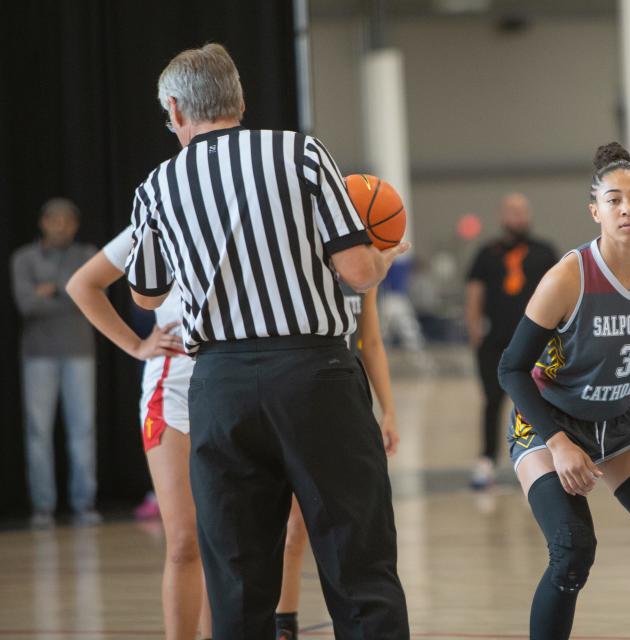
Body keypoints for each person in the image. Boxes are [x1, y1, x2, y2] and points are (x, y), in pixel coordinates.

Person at [125, 43, 409, 638]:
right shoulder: (300, 152)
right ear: (241, 100)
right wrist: (382, 258)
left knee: (236, 576)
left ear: (175, 110)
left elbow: (147, 297)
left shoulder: (156, 185)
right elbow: (356, 274)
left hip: (221, 385)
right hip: (314, 375)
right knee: (358, 563)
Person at [498, 142, 630, 640]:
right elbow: (511, 369)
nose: (627, 208)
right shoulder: (567, 278)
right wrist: (558, 443)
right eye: (614, 199)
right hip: (551, 421)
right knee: (573, 550)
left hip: (621, 420)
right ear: (595, 210)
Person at [66, 226, 212, 639]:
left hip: (233, 383)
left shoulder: (242, 201)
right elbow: (83, 284)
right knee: (185, 539)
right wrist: (135, 345)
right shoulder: (157, 213)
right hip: (174, 391)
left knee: (224, 540)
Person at [275, 284, 399, 640]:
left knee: (320, 528)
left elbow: (370, 343)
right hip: (297, 394)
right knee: (286, 524)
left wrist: (388, 409)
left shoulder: (365, 272)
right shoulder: (306, 258)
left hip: (343, 404)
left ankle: (287, 623)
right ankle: (281, 623)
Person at [11, 198, 100, 528]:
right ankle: (43, 507)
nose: (61, 225)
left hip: (80, 352)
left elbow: (89, 297)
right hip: (37, 355)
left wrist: (48, 292)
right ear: (42, 222)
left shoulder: (88, 254)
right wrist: (67, 293)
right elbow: (26, 304)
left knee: (83, 430)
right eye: (54, 219)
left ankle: (84, 503)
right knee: (38, 432)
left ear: (75, 225)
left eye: (67, 220)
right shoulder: (23, 258)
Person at [466, 193, 557, 488]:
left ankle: (541, 455)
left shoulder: (544, 252)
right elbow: (475, 291)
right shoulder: (487, 253)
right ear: (503, 216)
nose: (516, 217)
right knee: (492, 399)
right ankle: (487, 459)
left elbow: (560, 291)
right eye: (511, 212)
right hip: (495, 340)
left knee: (539, 400)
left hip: (535, 341)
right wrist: (473, 328)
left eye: (521, 211)